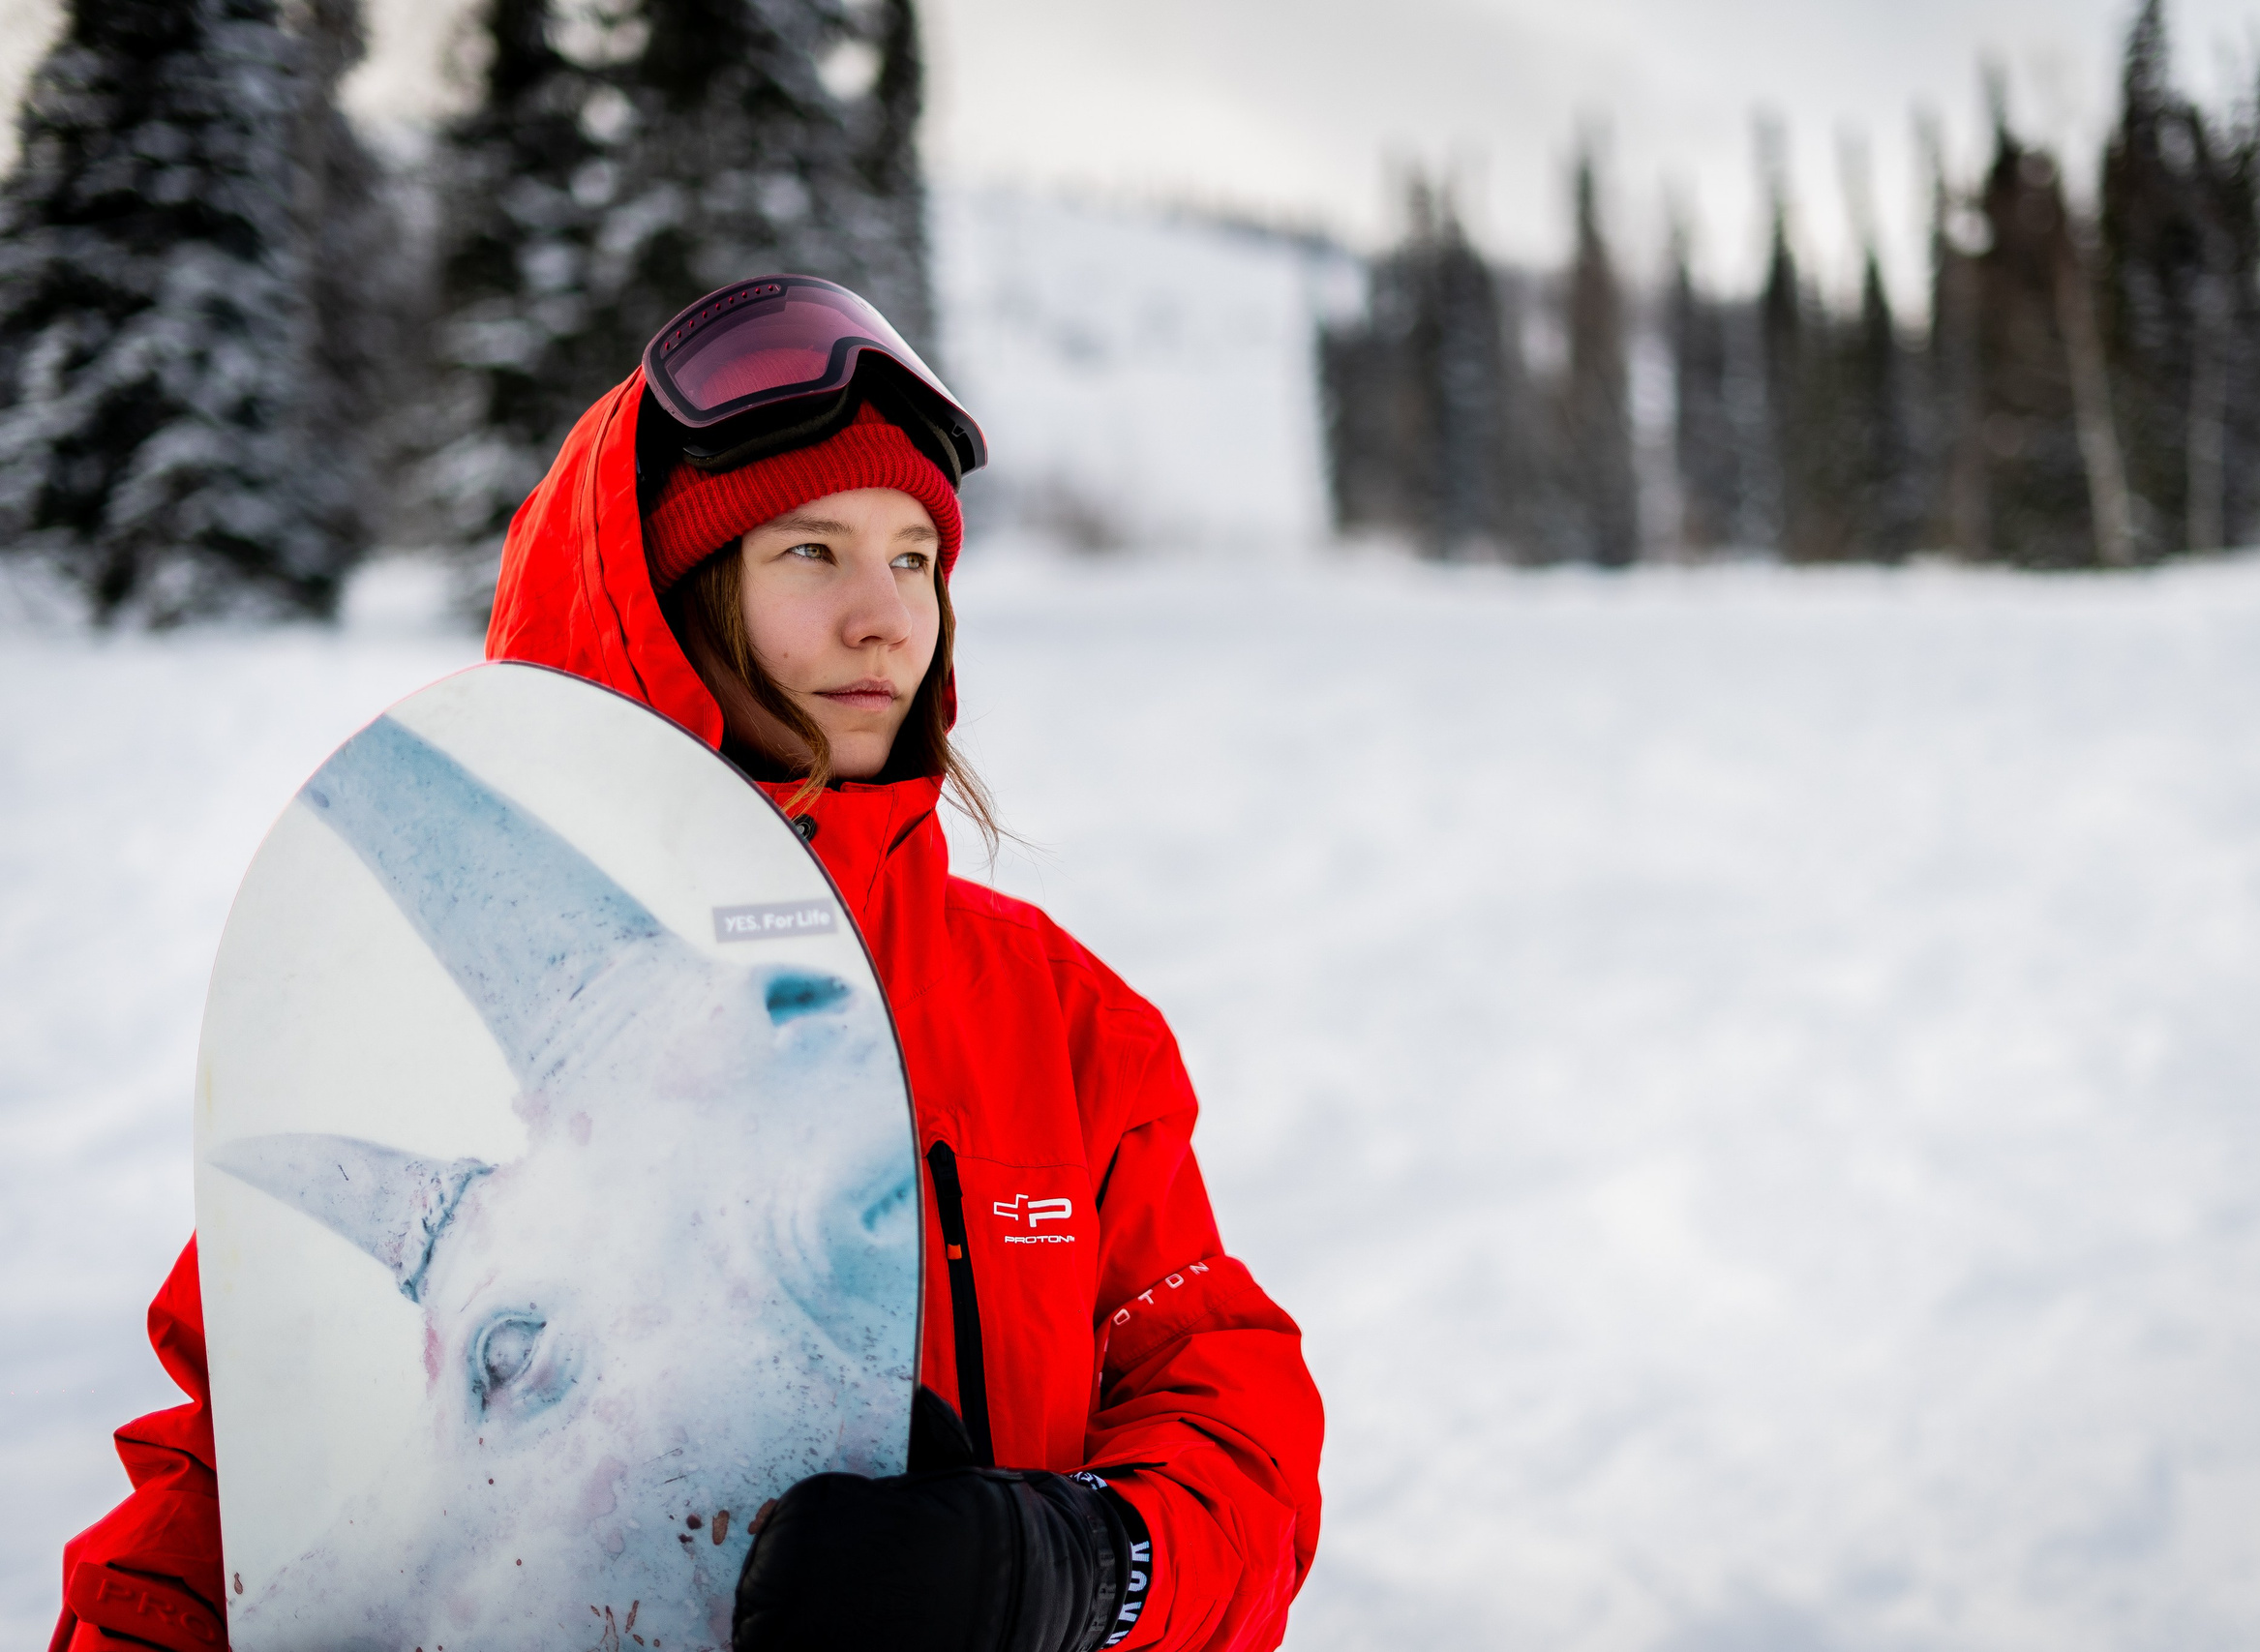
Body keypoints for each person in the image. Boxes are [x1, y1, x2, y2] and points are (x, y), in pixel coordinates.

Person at [51, 278, 1324, 1652]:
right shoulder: (410, 1033)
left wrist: (1074, 1567)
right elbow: (236, 1479)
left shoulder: (1063, 1023)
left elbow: (1222, 1401)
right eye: (811, 553)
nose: (885, 619)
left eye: (913, 558)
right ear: (664, 599)